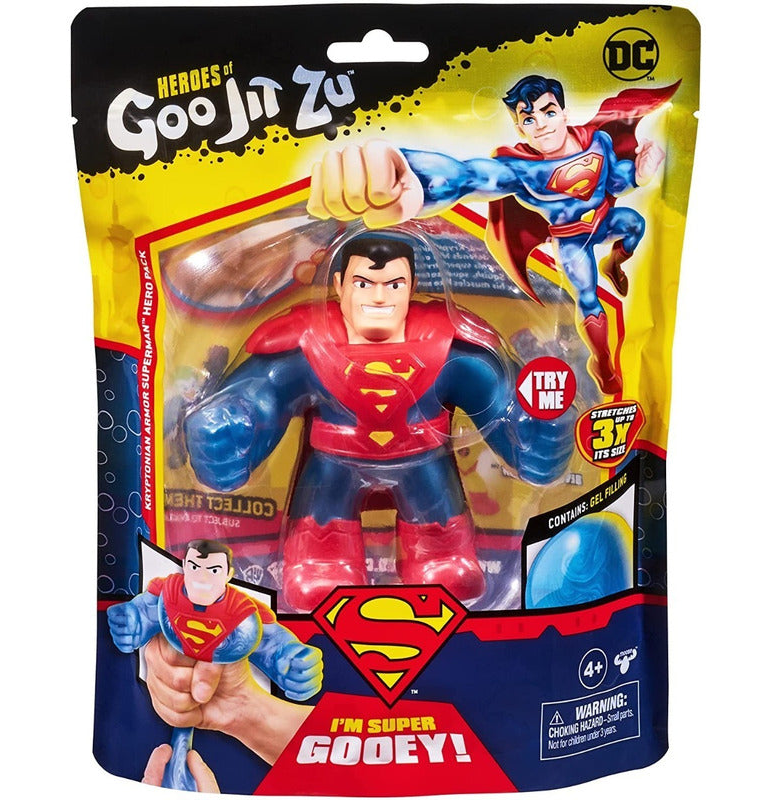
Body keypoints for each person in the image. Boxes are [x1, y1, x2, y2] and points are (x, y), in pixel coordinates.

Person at [184, 232, 573, 612]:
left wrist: (529, 429)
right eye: (364, 283)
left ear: (412, 287)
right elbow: (266, 389)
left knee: (442, 549)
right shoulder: (309, 339)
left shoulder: (448, 340)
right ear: (339, 285)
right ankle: (322, 560)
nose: (379, 296)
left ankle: (440, 555)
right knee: (322, 542)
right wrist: (233, 421)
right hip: (334, 462)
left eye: (394, 284)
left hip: (423, 459)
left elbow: (491, 389)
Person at [307, 76, 677, 394]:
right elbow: (471, 176)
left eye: (548, 112)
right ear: (520, 129)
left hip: (606, 221)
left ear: (564, 113)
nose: (541, 124)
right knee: (588, 301)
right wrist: (410, 172)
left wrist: (640, 175)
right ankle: (604, 362)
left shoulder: (599, 142)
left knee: (636, 225)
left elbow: (616, 181)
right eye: (528, 119)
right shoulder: (524, 172)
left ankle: (615, 262)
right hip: (572, 240)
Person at [107, 539, 322, 789]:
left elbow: (272, 645)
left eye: (213, 570)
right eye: (194, 567)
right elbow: (143, 613)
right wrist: (130, 623)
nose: (202, 578)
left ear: (228, 575)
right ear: (184, 567)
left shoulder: (244, 613)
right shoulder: (168, 593)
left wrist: (293, 665)